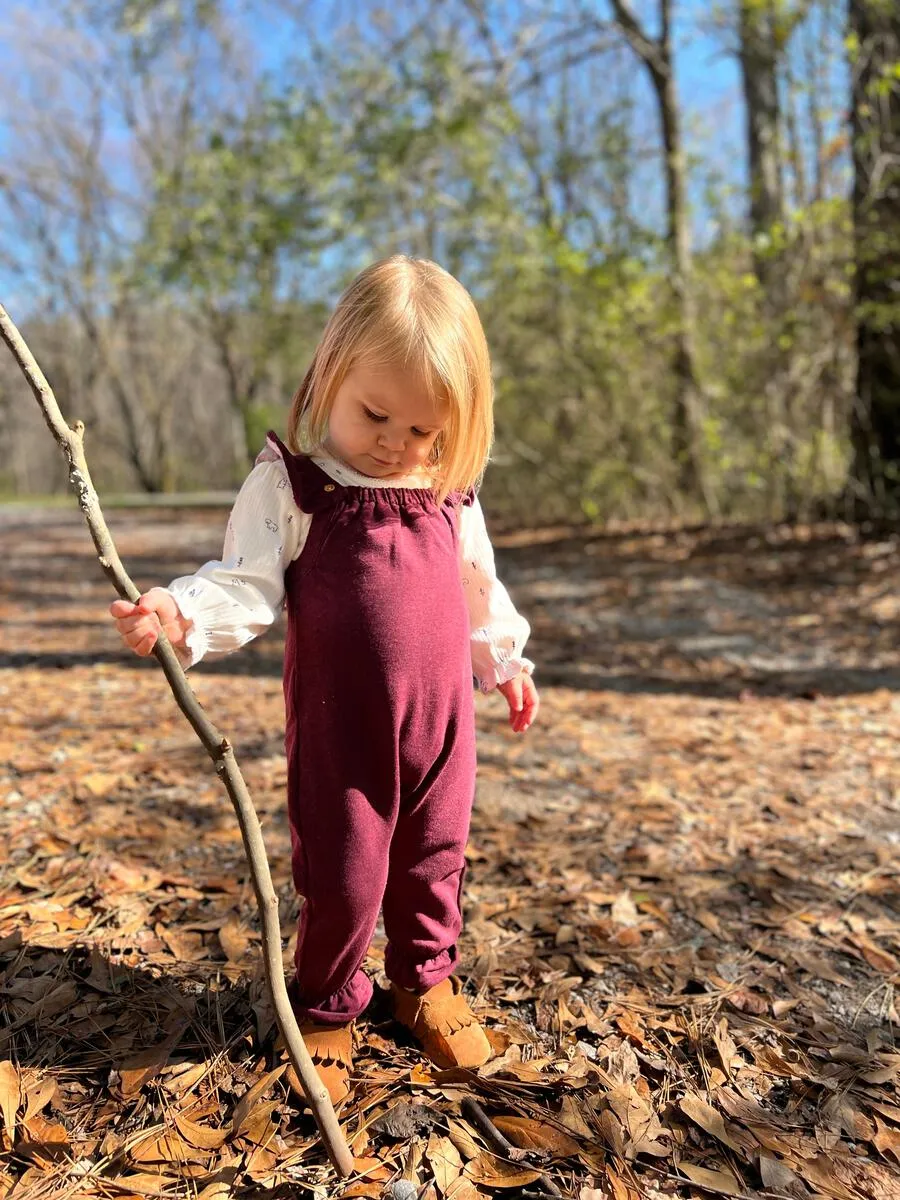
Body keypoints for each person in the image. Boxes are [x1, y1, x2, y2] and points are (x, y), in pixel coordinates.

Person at [109, 255, 538, 1105]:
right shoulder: (297, 488)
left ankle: (424, 979)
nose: (396, 443)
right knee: (344, 873)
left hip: (444, 723)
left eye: (424, 430)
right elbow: (242, 582)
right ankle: (329, 1002)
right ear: (331, 373)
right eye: (376, 413)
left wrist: (504, 658)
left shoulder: (449, 492)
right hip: (342, 732)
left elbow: (477, 586)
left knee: (435, 857)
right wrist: (179, 613)